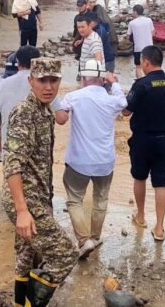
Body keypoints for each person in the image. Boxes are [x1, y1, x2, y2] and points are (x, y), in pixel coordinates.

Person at [3, 57, 78, 307]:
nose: (48, 86)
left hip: (38, 195)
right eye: (42, 80)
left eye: (53, 80)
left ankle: (19, 304)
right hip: (26, 198)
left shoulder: (44, 110)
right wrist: (22, 210)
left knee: (27, 253)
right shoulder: (26, 112)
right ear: (30, 81)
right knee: (65, 254)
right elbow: (12, 164)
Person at [56, 60, 127, 259]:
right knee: (101, 200)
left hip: (78, 161)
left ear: (83, 77)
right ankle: (95, 238)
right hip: (105, 161)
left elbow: (60, 119)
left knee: (74, 200)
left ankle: (83, 240)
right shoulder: (111, 99)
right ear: (102, 78)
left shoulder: (73, 97)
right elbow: (124, 103)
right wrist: (115, 83)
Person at [123, 46, 165, 242]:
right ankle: (159, 228)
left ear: (146, 62)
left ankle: (140, 217)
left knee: (139, 177)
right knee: (161, 181)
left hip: (142, 139)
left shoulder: (140, 85)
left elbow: (126, 111)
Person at [0, 45, 42, 158]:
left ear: (17, 62)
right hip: (36, 148)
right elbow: (61, 118)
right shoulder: (44, 84)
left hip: (10, 146)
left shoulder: (3, 83)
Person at [86, 0, 118, 64]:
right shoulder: (87, 11)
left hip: (103, 38)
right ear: (87, 2)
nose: (92, 4)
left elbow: (105, 23)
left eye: (94, 2)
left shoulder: (99, 10)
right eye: (90, 2)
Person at [74, 15, 104, 82]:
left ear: (90, 25)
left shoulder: (94, 41)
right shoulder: (87, 36)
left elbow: (99, 60)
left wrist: (95, 80)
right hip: (87, 77)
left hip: (92, 80)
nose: (80, 30)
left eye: (83, 27)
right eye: (78, 27)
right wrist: (81, 40)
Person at [127, 5, 155, 79]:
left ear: (135, 12)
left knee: (138, 67)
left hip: (138, 48)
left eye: (133, 12)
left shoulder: (132, 23)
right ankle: (150, 81)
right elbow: (153, 32)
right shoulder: (149, 20)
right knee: (150, 66)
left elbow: (128, 36)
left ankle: (139, 82)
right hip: (149, 47)